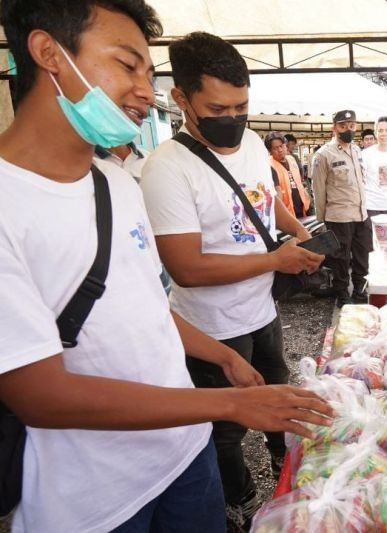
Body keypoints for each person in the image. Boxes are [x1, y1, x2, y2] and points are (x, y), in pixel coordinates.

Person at [0, 2, 332, 532]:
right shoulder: (10, 203)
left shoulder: (113, 183)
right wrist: (227, 405)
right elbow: (42, 397)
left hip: (186, 459)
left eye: (148, 73)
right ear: (48, 54)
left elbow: (145, 307)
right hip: (97, 502)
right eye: (127, 65)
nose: (144, 91)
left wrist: (220, 355)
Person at [139, 32, 324, 530]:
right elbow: (187, 268)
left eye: (243, 105)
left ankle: (287, 473)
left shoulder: (255, 141)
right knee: (224, 428)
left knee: (279, 396)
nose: (234, 118)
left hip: (262, 311)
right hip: (211, 326)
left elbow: (264, 200)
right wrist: (275, 262)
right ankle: (238, 499)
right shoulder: (165, 170)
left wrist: (299, 234)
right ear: (182, 99)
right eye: (219, 107)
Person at [311, 109, 371, 308]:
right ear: (334, 128)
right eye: (343, 126)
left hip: (361, 214)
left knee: (362, 255)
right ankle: (342, 293)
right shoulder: (323, 154)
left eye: (352, 125)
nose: (348, 129)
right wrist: (323, 219)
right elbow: (318, 189)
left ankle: (361, 289)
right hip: (339, 217)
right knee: (340, 259)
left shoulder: (356, 150)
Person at [266, 131, 311, 218]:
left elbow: (299, 182)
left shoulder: (291, 159)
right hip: (286, 213)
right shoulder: (269, 165)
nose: (280, 150)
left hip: (302, 208)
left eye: (281, 146)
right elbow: (276, 191)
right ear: (270, 151)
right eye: (275, 148)